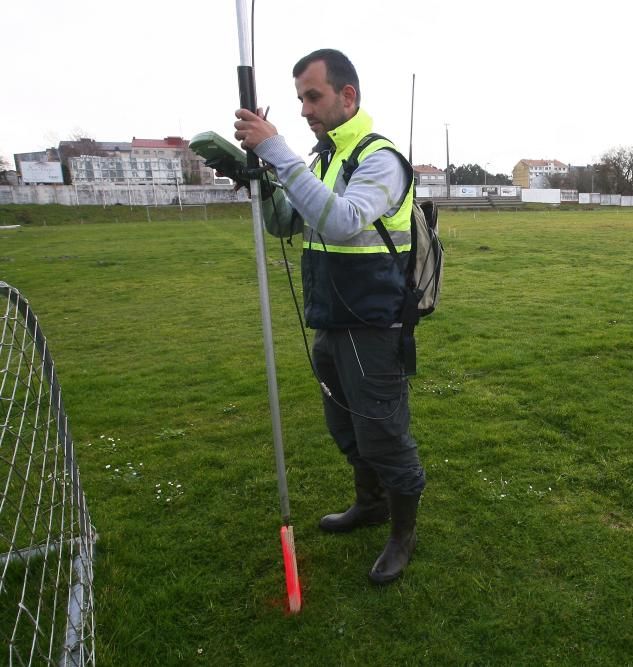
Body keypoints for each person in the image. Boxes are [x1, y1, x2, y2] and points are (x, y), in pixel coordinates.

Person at [232, 48, 425, 585]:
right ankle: (370, 504)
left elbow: (341, 222)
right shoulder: (322, 160)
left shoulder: (379, 159)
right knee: (345, 427)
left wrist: (277, 150)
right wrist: (262, 180)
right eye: (299, 99)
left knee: (385, 435)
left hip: (373, 325)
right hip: (331, 320)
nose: (303, 110)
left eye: (312, 97)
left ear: (348, 96)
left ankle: (402, 534)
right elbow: (287, 224)